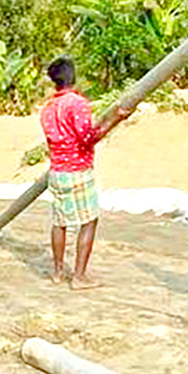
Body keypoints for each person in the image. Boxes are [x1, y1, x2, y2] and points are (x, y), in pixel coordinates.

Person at [39, 56, 133, 290]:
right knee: (89, 221)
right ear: (73, 76)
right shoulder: (77, 104)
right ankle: (79, 276)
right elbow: (88, 138)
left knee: (59, 222)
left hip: (57, 171)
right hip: (78, 171)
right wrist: (116, 119)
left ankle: (58, 272)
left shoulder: (47, 108)